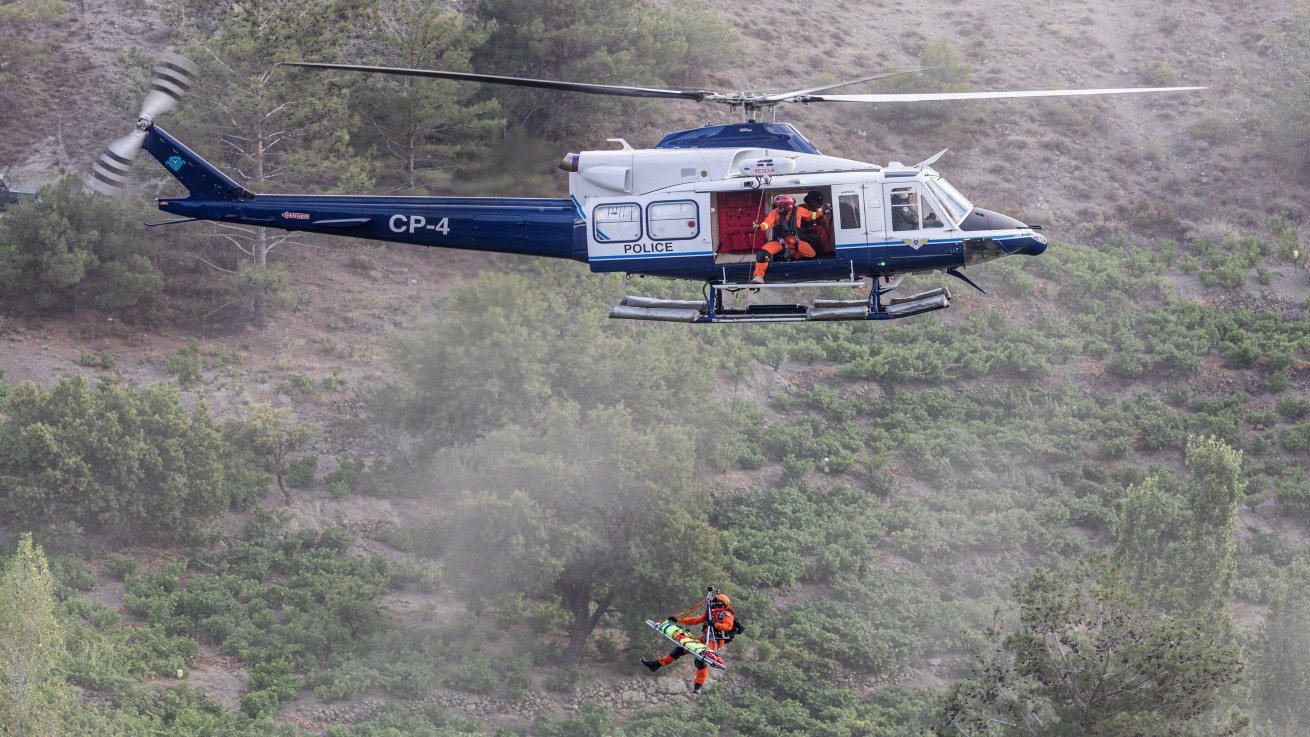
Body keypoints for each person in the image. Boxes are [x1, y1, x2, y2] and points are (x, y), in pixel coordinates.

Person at [640, 593, 735, 695]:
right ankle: (655, 665)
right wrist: (679, 621)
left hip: (714, 642)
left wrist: (715, 624)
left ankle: (698, 686)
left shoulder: (726, 614)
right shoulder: (711, 613)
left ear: (720, 604)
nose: (712, 605)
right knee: (677, 651)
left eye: (714, 603)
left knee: (699, 661)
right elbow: (696, 620)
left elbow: (728, 626)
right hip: (704, 639)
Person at [750, 195, 821, 284]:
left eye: (780, 207)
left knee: (812, 255)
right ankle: (758, 276)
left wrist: (824, 212)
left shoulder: (799, 210)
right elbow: (767, 223)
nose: (778, 208)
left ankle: (794, 254)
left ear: (788, 207)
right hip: (780, 241)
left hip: (795, 240)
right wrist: (760, 226)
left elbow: (811, 215)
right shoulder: (774, 212)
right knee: (762, 254)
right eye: (777, 206)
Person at [800, 190, 834, 255]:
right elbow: (807, 218)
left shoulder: (815, 210)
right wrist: (820, 213)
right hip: (801, 229)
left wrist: (821, 218)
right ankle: (826, 251)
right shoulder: (802, 207)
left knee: (827, 228)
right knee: (819, 229)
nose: (818, 204)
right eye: (816, 202)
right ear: (810, 201)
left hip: (809, 229)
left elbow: (819, 222)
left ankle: (825, 248)